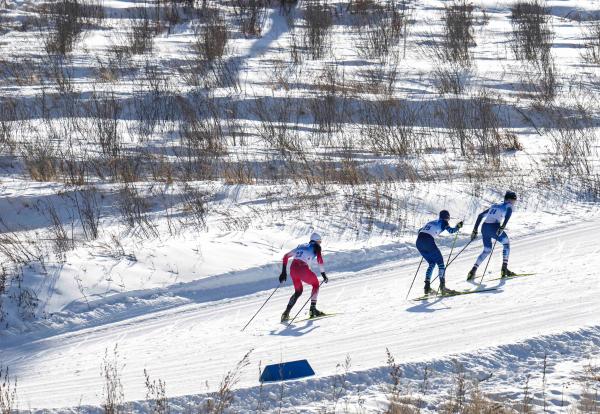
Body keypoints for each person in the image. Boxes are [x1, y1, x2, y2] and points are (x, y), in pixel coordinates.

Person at [467, 191, 518, 280]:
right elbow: (508, 214)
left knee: (487, 250)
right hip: (494, 227)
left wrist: (475, 230)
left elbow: (480, 216)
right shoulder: (508, 205)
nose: (514, 202)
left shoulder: (495, 205)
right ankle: (504, 269)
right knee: (506, 244)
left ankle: (472, 271)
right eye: (514, 200)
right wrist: (503, 226)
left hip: (484, 227)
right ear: (509, 200)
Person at [279, 233, 328, 321]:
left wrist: (283, 272)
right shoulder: (316, 247)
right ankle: (313, 310)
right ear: (317, 241)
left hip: (293, 269)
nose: (320, 244)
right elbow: (320, 260)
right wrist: (323, 274)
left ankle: (286, 313)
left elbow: (285, 256)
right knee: (316, 284)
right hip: (302, 268)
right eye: (319, 242)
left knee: (298, 291)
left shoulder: (301, 246)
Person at [416, 210, 463, 295]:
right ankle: (442, 287)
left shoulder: (432, 221)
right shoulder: (444, 222)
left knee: (432, 263)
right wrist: (458, 227)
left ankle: (427, 287)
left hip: (419, 242)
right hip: (428, 240)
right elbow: (451, 231)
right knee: (440, 263)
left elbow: (419, 231)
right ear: (447, 217)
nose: (448, 220)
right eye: (448, 218)